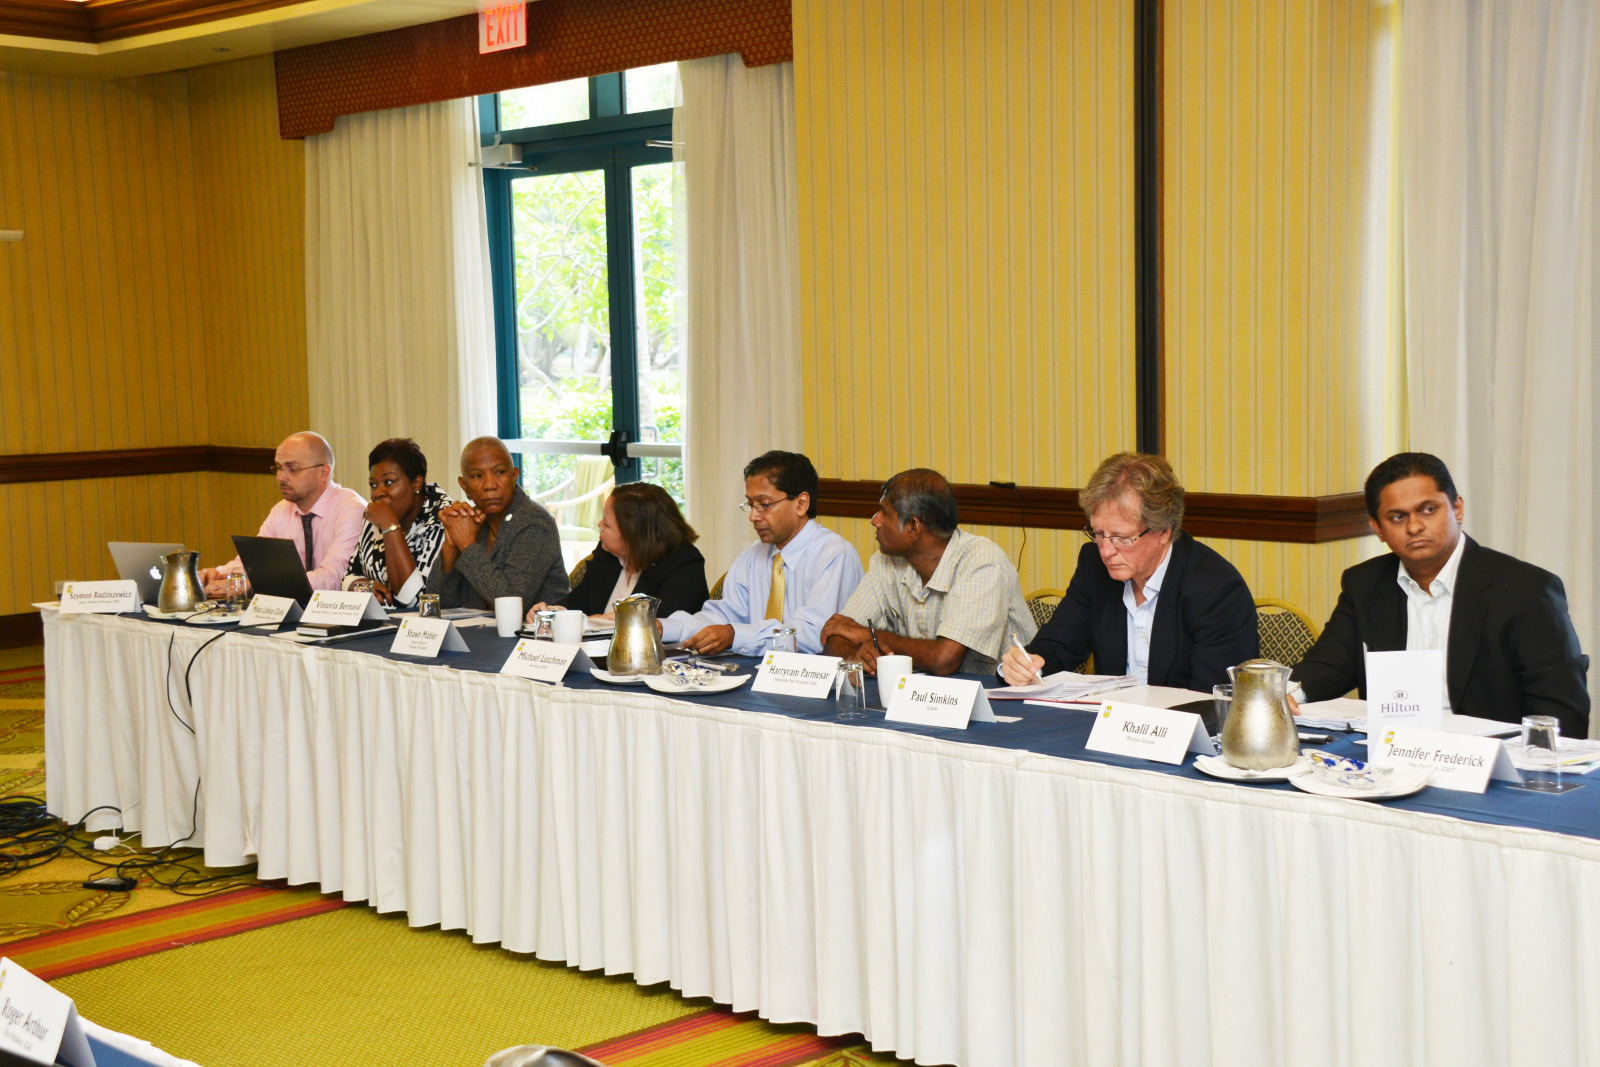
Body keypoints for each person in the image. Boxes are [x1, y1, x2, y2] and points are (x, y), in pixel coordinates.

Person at [1291, 452, 1590, 737]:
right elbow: (1329, 666)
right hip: (1393, 751)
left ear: (1457, 509)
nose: (1414, 527)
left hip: (1488, 758)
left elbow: (1563, 713)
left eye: (1428, 510)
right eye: (1397, 517)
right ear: (1377, 529)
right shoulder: (1365, 584)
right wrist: (1282, 693)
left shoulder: (1527, 590)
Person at [1001, 453, 1258, 691]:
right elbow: (1059, 644)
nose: (1106, 551)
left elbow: (1214, 696)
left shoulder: (1217, 588)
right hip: (1109, 719)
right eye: (1098, 533)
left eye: (1122, 537)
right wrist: (1027, 665)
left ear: (1164, 530)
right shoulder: (1094, 567)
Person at [822, 468, 1033, 675]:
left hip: (1004, 693)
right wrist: (854, 655)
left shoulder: (982, 561)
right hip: (925, 692)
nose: (875, 520)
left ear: (913, 527)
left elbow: (944, 660)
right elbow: (837, 632)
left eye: (884, 513)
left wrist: (869, 636)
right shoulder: (886, 560)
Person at [660, 451, 863, 655]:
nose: (753, 516)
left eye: (764, 505)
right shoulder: (753, 555)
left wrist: (735, 635)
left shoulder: (834, 555)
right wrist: (664, 628)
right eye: (751, 505)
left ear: (801, 504)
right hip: (755, 670)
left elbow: (813, 634)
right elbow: (722, 616)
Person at [199, 431, 366, 595]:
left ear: (324, 473)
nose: (280, 477)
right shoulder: (282, 510)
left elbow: (333, 578)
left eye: (292, 469)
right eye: (278, 468)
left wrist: (255, 585)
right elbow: (256, 562)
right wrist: (220, 574)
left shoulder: (350, 509)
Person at [424, 437, 570, 610]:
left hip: (539, 627)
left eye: (499, 472)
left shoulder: (534, 521)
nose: (490, 485)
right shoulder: (472, 522)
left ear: (514, 476)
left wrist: (467, 545)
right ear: (464, 486)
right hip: (480, 627)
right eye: (478, 476)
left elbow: (513, 603)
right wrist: (451, 546)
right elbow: (438, 605)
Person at [529, 482, 709, 621]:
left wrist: (593, 620)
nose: (600, 525)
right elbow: (578, 602)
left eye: (607, 524)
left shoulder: (684, 566)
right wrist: (552, 612)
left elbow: (658, 624)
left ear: (634, 534)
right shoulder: (608, 554)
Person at [343, 438, 451, 609]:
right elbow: (349, 575)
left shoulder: (443, 518)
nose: (377, 493)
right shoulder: (377, 514)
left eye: (388, 482)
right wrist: (364, 587)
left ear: (416, 483)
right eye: (373, 484)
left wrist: (389, 526)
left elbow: (416, 601)